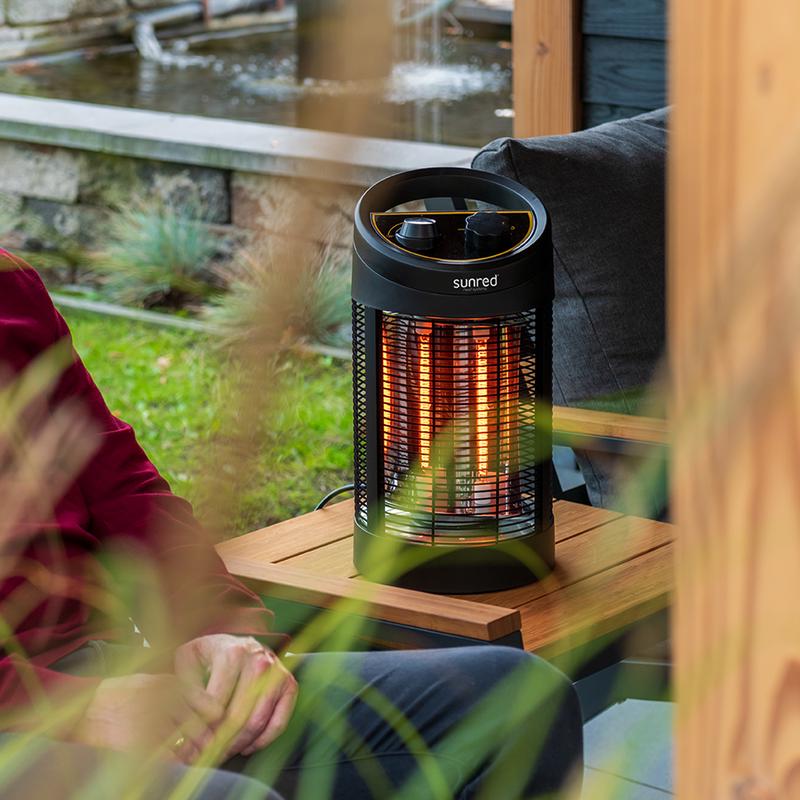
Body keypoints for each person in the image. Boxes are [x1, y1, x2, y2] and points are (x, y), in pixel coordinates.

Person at [0, 251, 582, 799]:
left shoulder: (11, 290)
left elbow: (126, 489)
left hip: (119, 675)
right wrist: (76, 708)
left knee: (519, 700)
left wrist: (225, 632)